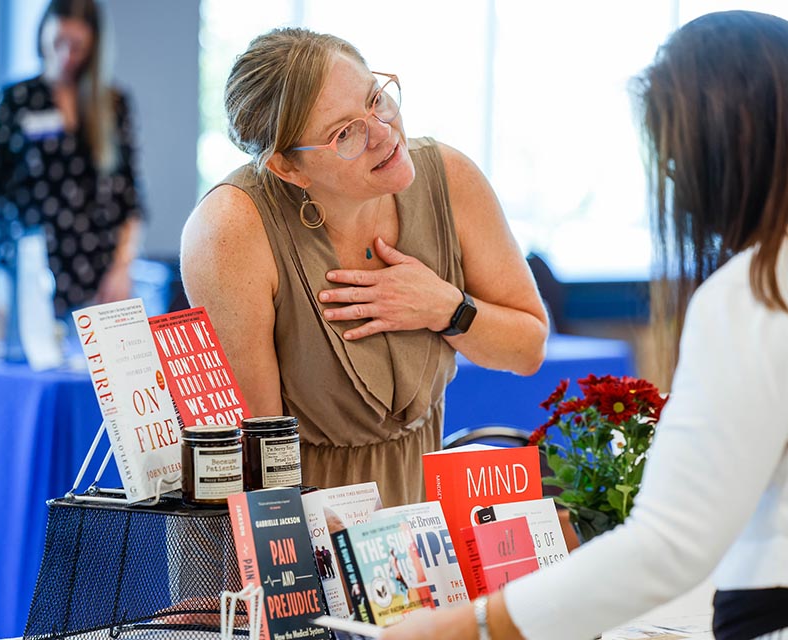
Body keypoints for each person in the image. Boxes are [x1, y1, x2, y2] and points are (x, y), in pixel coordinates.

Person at [381, 10, 788, 640]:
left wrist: (467, 626)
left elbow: (671, 542)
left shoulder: (764, 290)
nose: (676, 182)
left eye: (676, 161)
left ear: (726, 150)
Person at [180, 28, 548, 507]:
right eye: (344, 133)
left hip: (424, 517)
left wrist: (445, 307)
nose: (383, 132)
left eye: (376, 99)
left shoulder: (451, 177)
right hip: (305, 524)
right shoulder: (229, 230)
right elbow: (258, 465)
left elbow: (528, 349)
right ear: (288, 169)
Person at [0, 0, 144, 318]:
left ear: (94, 46)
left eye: (77, 47)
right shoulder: (16, 99)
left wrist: (122, 268)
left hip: (96, 277)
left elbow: (130, 198)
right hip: (25, 275)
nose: (66, 55)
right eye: (58, 43)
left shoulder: (113, 104)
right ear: (43, 37)